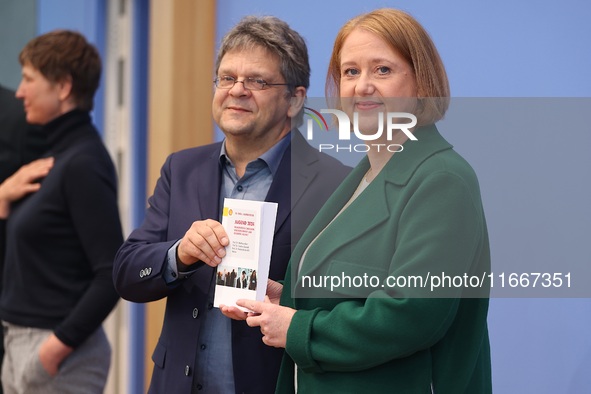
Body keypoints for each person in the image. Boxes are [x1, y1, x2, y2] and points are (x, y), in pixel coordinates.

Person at [226, 8, 492, 393]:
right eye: (350, 72)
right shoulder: (366, 173)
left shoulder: (443, 179)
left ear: (422, 82)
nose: (362, 86)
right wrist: (291, 295)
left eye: (382, 70)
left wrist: (297, 327)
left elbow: (411, 313)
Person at [113, 16, 350, 394]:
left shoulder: (334, 184)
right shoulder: (182, 168)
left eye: (257, 81)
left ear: (295, 99)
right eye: (227, 77)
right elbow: (127, 271)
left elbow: (345, 306)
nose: (237, 90)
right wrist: (179, 255)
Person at [0, 30, 122, 394]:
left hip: (56, 358)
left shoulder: (83, 163)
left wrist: (53, 350)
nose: (19, 92)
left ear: (64, 87)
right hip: (20, 345)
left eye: (28, 79)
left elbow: (111, 271)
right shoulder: (56, 158)